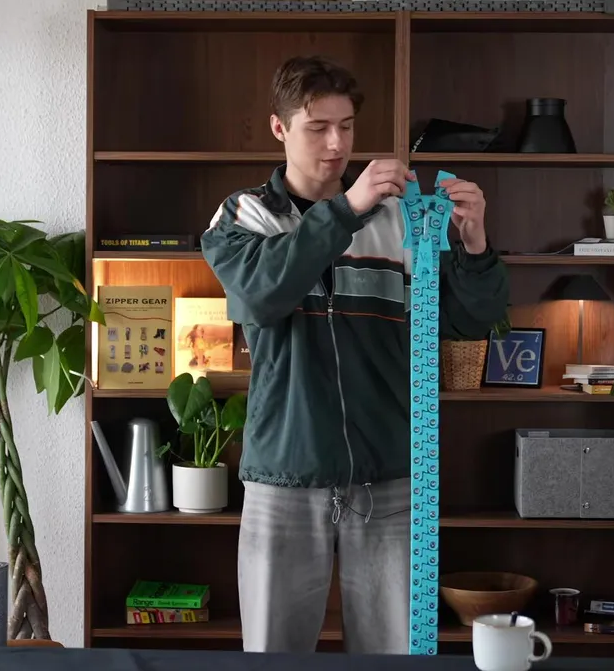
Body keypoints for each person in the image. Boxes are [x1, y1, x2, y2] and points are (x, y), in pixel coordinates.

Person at [200, 56, 510, 654]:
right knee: (273, 655)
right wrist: (346, 211)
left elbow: (469, 320)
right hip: (284, 477)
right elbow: (262, 295)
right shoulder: (244, 215)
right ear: (279, 128)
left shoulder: (398, 219)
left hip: (390, 478)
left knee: (395, 653)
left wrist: (475, 246)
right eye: (317, 127)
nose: (337, 144)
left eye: (346, 126)